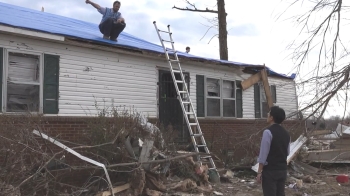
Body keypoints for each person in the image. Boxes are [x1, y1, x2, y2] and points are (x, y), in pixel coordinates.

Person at [256, 106, 291, 196]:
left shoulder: (268, 132)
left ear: (272, 117)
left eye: (269, 113)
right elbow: (287, 152)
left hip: (270, 172)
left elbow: (263, 154)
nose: (267, 115)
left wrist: (259, 172)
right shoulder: (286, 134)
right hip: (282, 170)